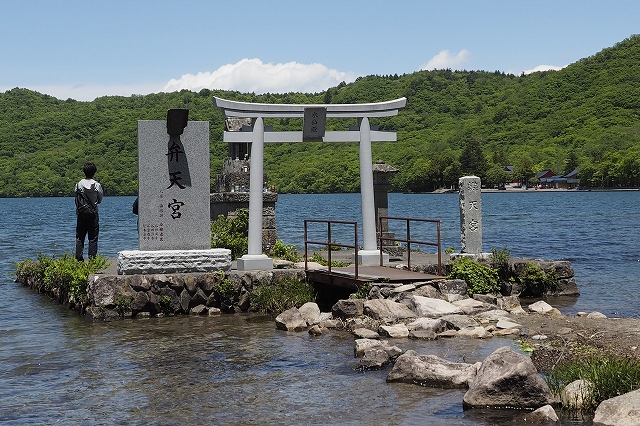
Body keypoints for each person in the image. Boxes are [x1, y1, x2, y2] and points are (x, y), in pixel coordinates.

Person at [74, 162, 104, 261]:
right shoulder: (97, 185)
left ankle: (79, 260)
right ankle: (92, 261)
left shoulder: (78, 184)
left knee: (80, 237)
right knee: (93, 238)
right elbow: (100, 200)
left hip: (81, 214)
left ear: (84, 172)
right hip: (93, 214)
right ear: (94, 172)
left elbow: (77, 198)